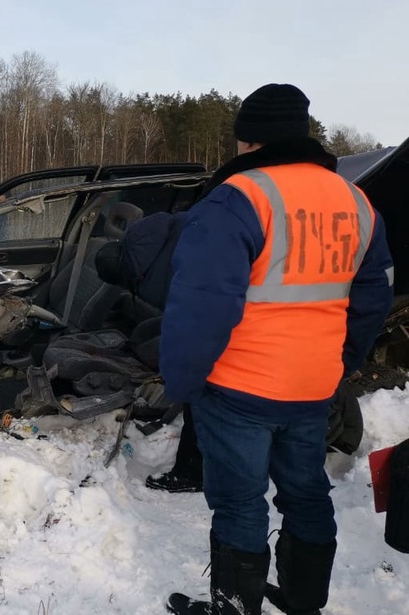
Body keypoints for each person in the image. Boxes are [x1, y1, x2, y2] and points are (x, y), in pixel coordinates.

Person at [160, 84, 394, 615]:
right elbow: (374, 295)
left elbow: (202, 305)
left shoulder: (239, 198)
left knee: (240, 503)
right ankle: (302, 599)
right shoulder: (356, 201)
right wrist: (340, 363)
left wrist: (182, 381)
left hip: (240, 387)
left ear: (248, 140)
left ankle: (234, 608)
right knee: (306, 493)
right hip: (312, 387)